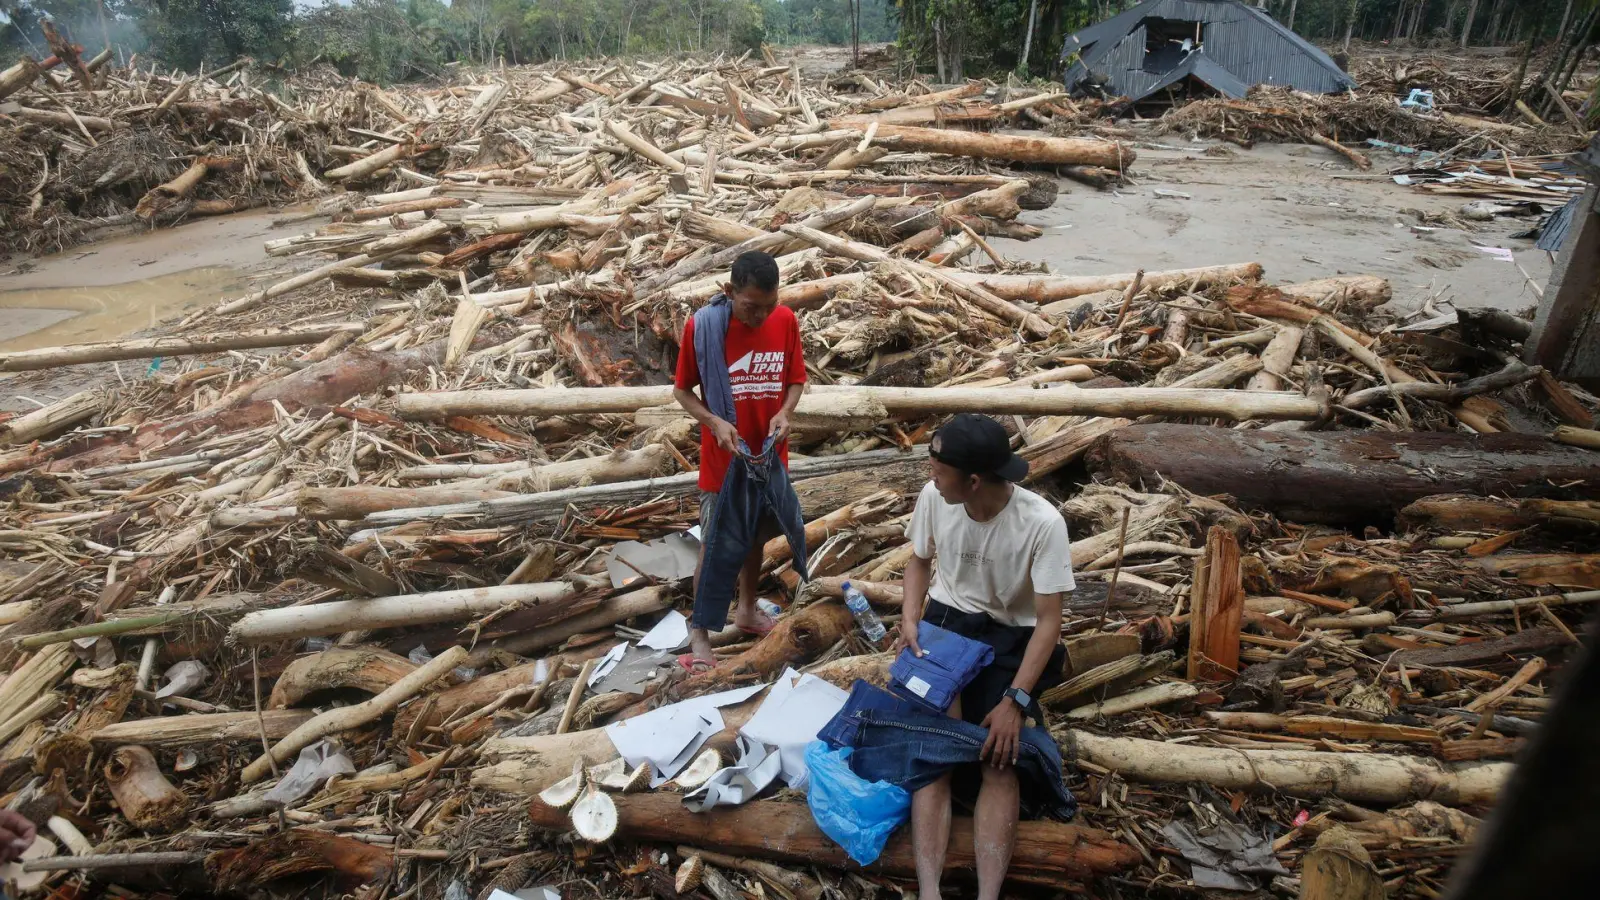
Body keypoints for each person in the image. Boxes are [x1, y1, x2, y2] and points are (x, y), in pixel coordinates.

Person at [898, 413, 1074, 900]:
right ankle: (929, 891)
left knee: (999, 757)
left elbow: (1049, 622)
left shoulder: (1042, 524)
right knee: (936, 749)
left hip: (1009, 637)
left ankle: (988, 894)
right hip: (946, 623)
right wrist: (912, 617)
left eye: (939, 468)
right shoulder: (936, 498)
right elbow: (919, 560)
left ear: (973, 481)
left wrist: (1015, 700)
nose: (930, 475)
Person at [672, 250, 806, 670]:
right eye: (751, 307)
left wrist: (785, 413)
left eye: (769, 305)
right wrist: (713, 422)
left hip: (767, 458)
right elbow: (682, 391)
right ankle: (700, 634)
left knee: (756, 537)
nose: (761, 316)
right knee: (715, 548)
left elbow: (796, 379)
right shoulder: (705, 328)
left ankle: (747, 610)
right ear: (730, 292)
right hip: (724, 462)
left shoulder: (784, 321)